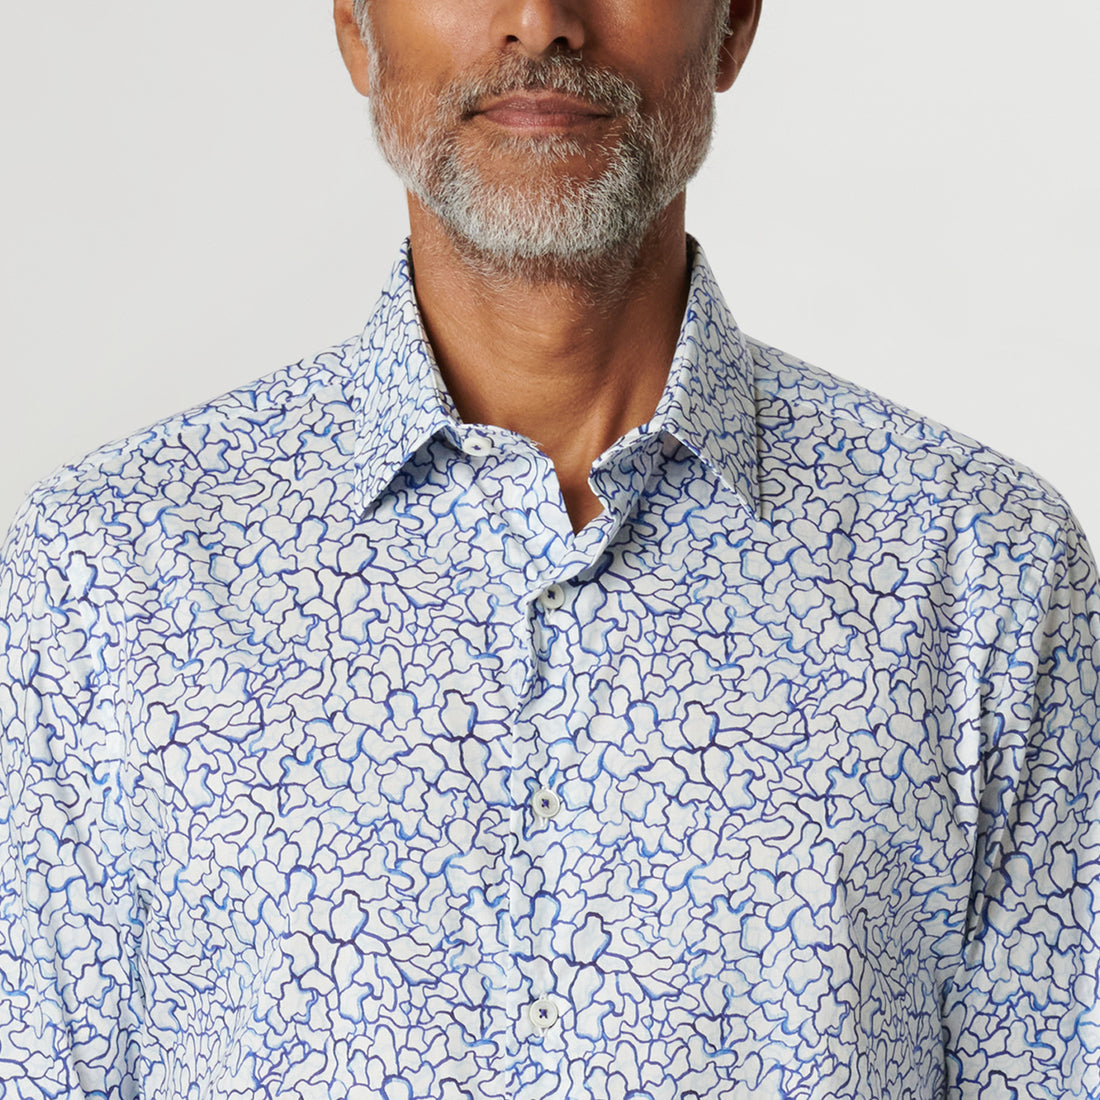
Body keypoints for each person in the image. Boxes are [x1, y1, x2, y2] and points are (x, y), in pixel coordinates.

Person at [1, 0, 1097, 1096]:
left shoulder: (983, 577)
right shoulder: (105, 578)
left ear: (733, 23)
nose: (540, 21)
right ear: (353, 25)